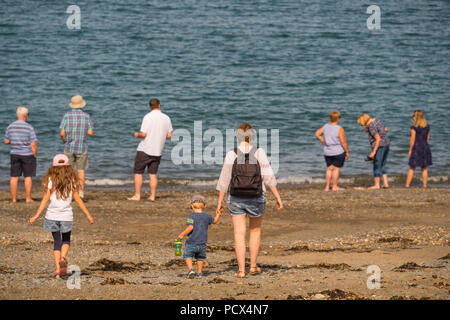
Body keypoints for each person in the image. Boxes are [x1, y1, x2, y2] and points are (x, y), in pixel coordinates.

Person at [216, 123, 283, 278]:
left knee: (239, 233)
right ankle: (252, 266)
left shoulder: (232, 153)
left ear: (237, 136)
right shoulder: (259, 152)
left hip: (236, 197)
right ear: (251, 136)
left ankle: (241, 270)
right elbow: (269, 177)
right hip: (256, 197)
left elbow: (224, 180)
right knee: (255, 231)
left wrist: (220, 202)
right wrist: (277, 197)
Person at [29, 154, 94, 280]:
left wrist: (36, 216)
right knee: (66, 240)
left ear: (53, 168)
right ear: (68, 167)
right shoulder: (72, 182)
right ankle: (63, 258)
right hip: (66, 217)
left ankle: (58, 271)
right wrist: (88, 215)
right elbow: (78, 200)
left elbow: (45, 199)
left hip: (52, 216)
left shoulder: (50, 181)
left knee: (56, 242)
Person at [128, 98, 173, 201]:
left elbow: (143, 134)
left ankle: (137, 195)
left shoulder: (147, 117)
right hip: (158, 150)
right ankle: (152, 196)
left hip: (145, 149)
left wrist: (136, 135)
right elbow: (169, 135)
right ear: (159, 105)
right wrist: (159, 136)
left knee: (138, 172)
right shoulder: (166, 117)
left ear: (150, 106)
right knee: (153, 174)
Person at [177, 195, 222, 279]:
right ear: (204, 206)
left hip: (192, 242)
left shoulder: (191, 216)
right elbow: (215, 221)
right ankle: (199, 273)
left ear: (191, 206)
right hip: (202, 243)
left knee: (187, 256)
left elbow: (190, 227)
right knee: (200, 258)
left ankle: (191, 270)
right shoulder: (207, 216)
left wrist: (182, 235)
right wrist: (218, 214)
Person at [59, 95, 94, 199]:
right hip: (82, 147)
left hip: (69, 146)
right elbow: (90, 132)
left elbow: (62, 133)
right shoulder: (86, 116)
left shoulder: (66, 116)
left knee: (68, 170)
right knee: (81, 170)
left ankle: (68, 191)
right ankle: (81, 192)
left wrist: (64, 140)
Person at [3, 106, 38, 203]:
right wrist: (35, 154)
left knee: (14, 177)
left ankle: (14, 199)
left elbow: (6, 141)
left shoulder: (10, 126)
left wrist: (14, 141)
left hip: (14, 154)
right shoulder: (29, 127)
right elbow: (33, 143)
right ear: (26, 115)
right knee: (28, 176)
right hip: (27, 154)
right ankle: (28, 198)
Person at [315, 110, 349, 191]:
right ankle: (334, 186)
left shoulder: (325, 126)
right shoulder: (339, 128)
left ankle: (327, 187)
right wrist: (347, 151)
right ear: (338, 119)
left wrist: (323, 140)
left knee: (329, 168)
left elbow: (317, 133)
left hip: (327, 152)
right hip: (338, 151)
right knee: (336, 169)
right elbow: (343, 142)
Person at [357, 113, 390, 190]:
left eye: (363, 124)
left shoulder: (371, 126)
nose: (364, 126)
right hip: (386, 144)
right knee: (383, 164)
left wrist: (374, 152)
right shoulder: (378, 120)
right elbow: (385, 129)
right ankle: (385, 183)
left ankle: (377, 185)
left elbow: (378, 139)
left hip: (379, 146)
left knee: (376, 165)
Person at [406, 110, 432, 188]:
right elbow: (427, 138)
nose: (413, 118)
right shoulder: (427, 127)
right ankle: (424, 185)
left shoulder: (414, 127)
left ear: (416, 117)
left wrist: (410, 150)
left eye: (413, 116)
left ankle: (407, 185)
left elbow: (412, 140)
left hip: (416, 148)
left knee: (412, 167)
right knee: (424, 167)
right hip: (425, 147)